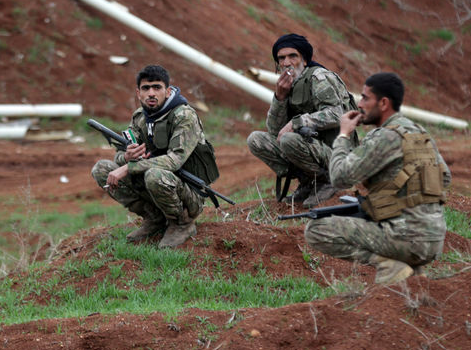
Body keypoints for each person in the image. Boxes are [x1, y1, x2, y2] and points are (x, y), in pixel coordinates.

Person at [304, 72, 451, 285]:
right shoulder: (419, 132)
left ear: (383, 103)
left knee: (317, 230)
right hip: (434, 239)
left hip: (405, 238)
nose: (359, 103)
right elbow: (444, 178)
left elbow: (339, 178)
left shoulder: (384, 136)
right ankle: (415, 272)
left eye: (365, 98)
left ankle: (389, 264)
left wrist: (344, 135)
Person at [91, 65, 219, 248]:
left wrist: (128, 167)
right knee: (102, 169)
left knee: (155, 175)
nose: (151, 93)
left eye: (157, 88)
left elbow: (175, 160)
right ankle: (154, 218)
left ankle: (182, 223)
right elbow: (119, 155)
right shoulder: (140, 117)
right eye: (146, 88)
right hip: (157, 185)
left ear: (167, 91)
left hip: (189, 193)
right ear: (138, 93)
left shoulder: (184, 116)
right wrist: (126, 157)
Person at [247, 33, 356, 208]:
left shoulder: (318, 77)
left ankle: (327, 181)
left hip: (338, 155)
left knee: (289, 139)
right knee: (256, 140)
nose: (286, 63)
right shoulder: (290, 84)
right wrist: (279, 98)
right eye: (281, 58)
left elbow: (338, 114)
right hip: (310, 147)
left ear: (304, 60)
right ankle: (307, 181)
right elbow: (275, 130)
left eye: (292, 56)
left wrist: (298, 123)